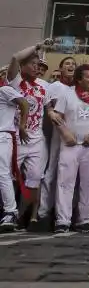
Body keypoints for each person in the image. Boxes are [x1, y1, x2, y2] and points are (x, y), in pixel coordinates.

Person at [54, 64, 89, 233]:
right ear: (79, 79)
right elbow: (57, 116)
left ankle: (84, 220)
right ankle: (62, 221)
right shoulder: (66, 94)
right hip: (70, 145)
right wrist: (65, 133)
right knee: (65, 184)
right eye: (88, 76)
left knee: (88, 183)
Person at [6, 40, 53, 227]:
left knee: (34, 179)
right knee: (6, 177)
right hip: (16, 138)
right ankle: (7, 212)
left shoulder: (43, 86)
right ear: (23, 67)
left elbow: (48, 107)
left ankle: (20, 216)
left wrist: (53, 113)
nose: (36, 67)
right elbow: (15, 57)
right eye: (32, 64)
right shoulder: (15, 82)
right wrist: (38, 46)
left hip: (36, 140)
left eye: (38, 65)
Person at [31, 56, 76, 232]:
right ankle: (43, 213)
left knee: (70, 176)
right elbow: (51, 108)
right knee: (51, 173)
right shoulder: (56, 86)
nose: (70, 66)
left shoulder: (79, 89)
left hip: (77, 135)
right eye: (67, 64)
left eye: (73, 64)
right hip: (59, 133)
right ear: (61, 68)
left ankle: (67, 214)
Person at [0, 81, 30, 231]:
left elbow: (24, 103)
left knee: (3, 174)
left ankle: (11, 211)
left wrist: (22, 125)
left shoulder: (4, 89)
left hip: (3, 135)